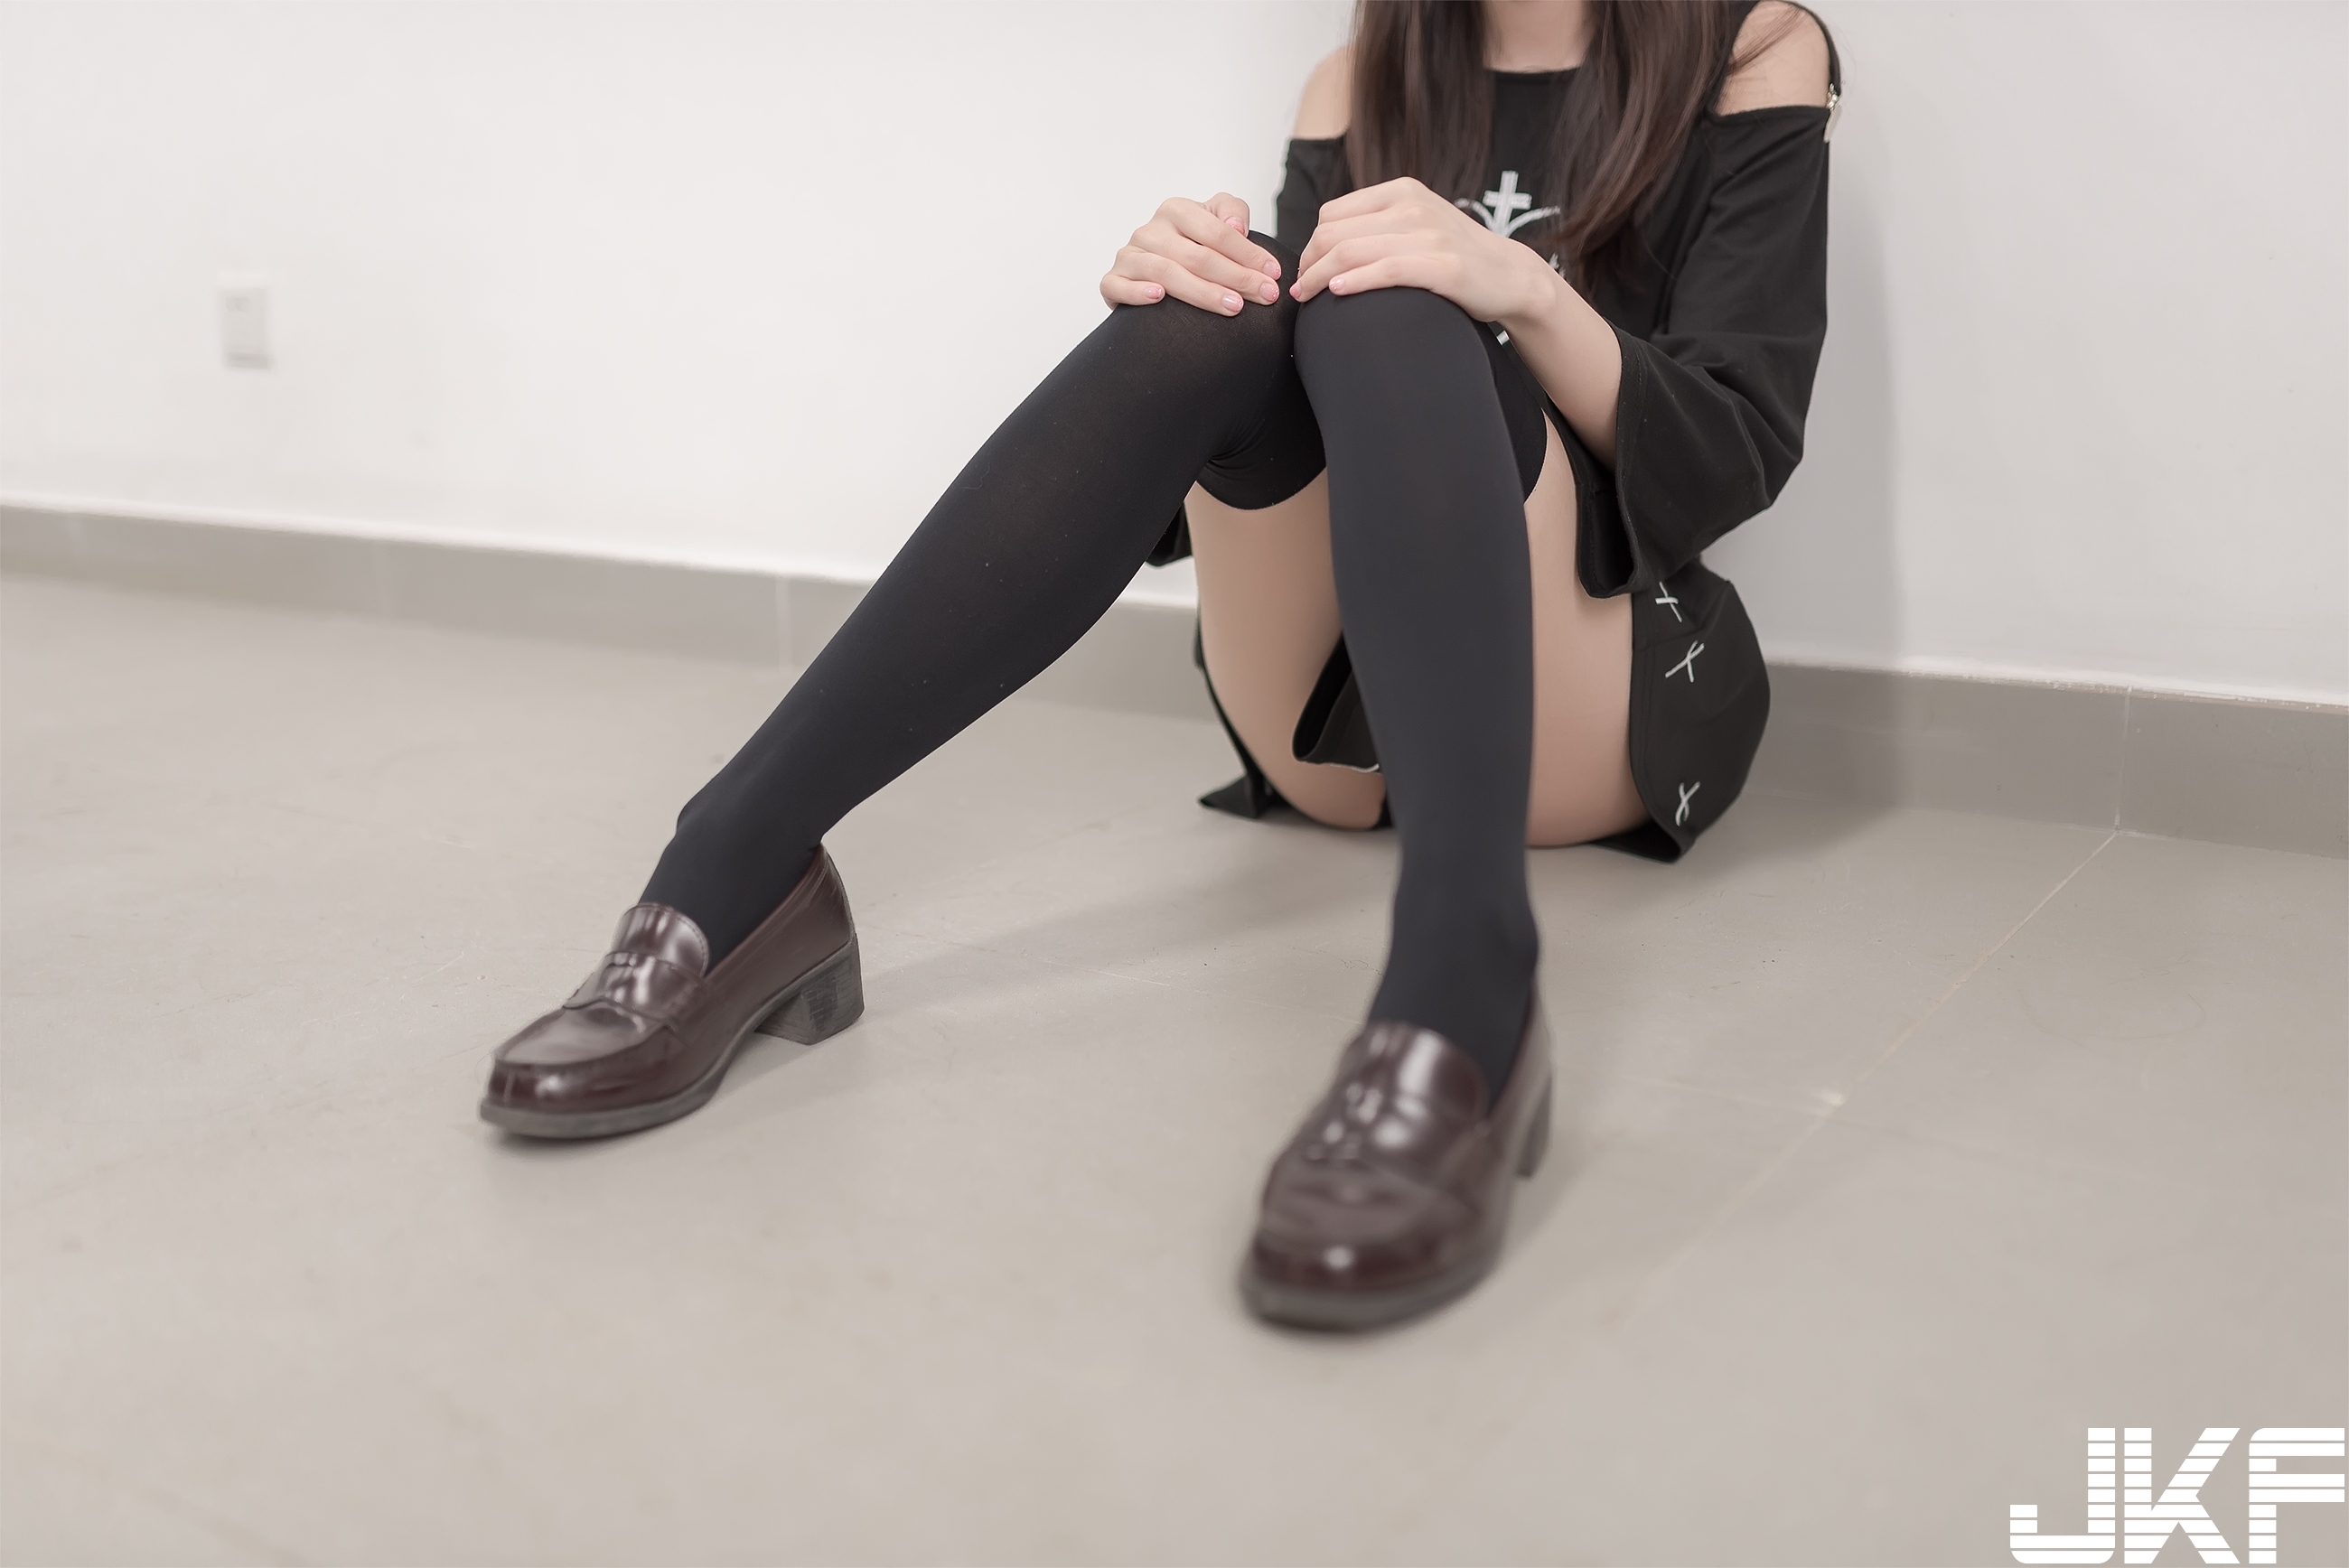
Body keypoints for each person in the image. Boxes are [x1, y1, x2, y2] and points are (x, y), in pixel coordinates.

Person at [478, 0, 1839, 1331]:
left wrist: (1518, 288)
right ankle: (743, 856)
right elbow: (1278, 423)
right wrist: (1171, 332)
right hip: (1330, 728)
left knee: (1393, 305)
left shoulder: (1752, 51)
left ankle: (1465, 986)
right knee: (1232, 311)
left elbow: (1734, 447)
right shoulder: (1357, 82)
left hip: (1591, 701)